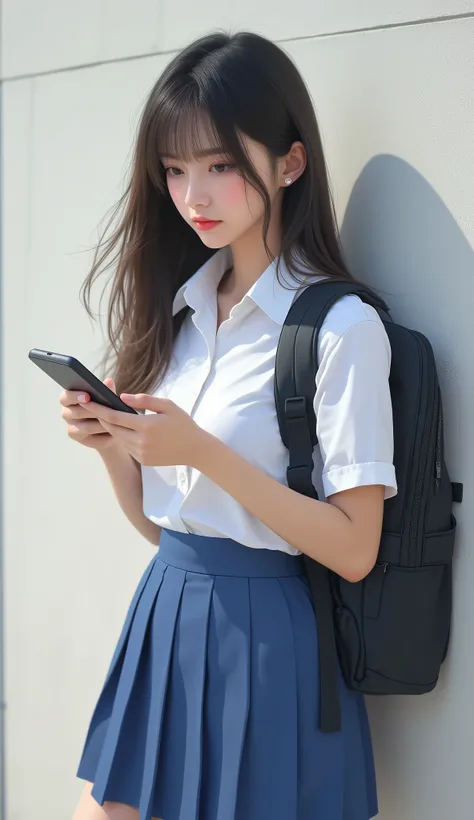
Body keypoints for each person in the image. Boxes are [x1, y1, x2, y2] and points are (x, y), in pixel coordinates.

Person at [62, 30, 397, 820]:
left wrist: (202, 453)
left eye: (218, 165)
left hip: (269, 644)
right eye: (175, 171)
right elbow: (167, 527)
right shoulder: (182, 311)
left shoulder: (341, 329)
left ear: (290, 162)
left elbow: (354, 549)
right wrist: (116, 450)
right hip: (163, 615)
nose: (193, 197)